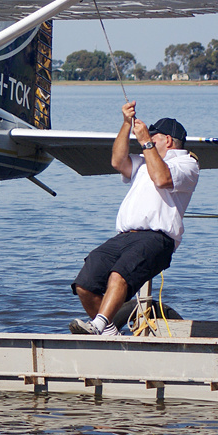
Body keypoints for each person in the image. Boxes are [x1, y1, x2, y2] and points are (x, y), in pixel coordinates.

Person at [69, 101, 199, 335]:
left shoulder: (186, 163)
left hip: (156, 238)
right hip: (125, 236)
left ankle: (98, 326)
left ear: (167, 140)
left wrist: (146, 142)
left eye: (154, 135)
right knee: (85, 282)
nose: (148, 139)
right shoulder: (143, 160)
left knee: (120, 274)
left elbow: (162, 179)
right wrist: (126, 124)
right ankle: (107, 329)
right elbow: (117, 161)